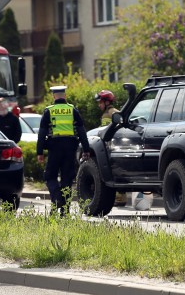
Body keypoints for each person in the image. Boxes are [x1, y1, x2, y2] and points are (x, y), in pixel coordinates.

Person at [37, 85, 91, 216]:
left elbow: (42, 133)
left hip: (54, 147)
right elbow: (81, 131)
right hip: (70, 147)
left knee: (50, 176)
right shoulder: (73, 110)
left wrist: (40, 152)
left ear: (54, 96)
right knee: (67, 177)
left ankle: (57, 199)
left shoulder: (49, 111)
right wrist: (86, 149)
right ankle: (64, 211)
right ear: (65, 96)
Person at [94, 89, 128, 207]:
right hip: (111, 146)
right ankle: (120, 198)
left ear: (107, 102)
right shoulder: (110, 112)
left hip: (110, 146)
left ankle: (119, 198)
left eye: (100, 102)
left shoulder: (110, 113)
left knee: (113, 171)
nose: (99, 105)